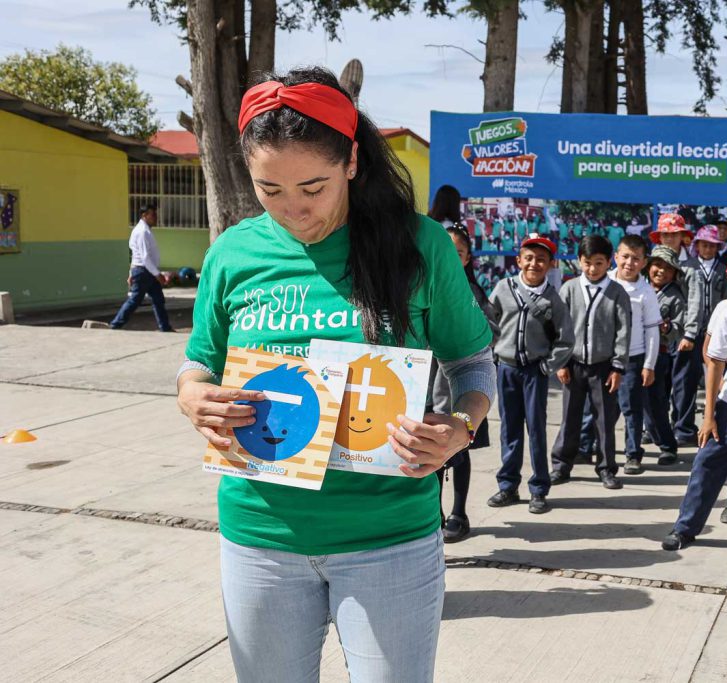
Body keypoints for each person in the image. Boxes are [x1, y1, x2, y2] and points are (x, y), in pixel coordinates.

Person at [176, 67, 495, 682]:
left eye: (313, 187)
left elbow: (472, 362)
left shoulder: (419, 244)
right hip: (260, 535)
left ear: (351, 161)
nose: (293, 209)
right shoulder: (233, 252)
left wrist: (460, 426)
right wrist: (192, 396)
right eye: (269, 189)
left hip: (389, 540)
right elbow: (199, 362)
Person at [661, 250, 727, 550]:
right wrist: (709, 415)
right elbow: (714, 363)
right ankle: (685, 527)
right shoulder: (726, 310)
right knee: (706, 464)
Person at [487, 234, 574, 514]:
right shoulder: (503, 288)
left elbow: (566, 339)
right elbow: (489, 322)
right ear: (519, 260)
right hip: (507, 369)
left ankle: (539, 488)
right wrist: (492, 354)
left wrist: (548, 366)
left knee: (536, 429)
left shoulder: (553, 299)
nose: (534, 263)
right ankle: (508, 485)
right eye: (529, 257)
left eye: (541, 259)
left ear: (550, 264)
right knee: (509, 429)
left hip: (534, 372)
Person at [432, 224, 500, 543]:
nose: (448, 258)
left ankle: (459, 512)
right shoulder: (422, 285)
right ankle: (436, 513)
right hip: (428, 388)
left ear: (467, 257)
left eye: (456, 253)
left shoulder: (472, 292)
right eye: (442, 250)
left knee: (460, 452)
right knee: (430, 457)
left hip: (458, 393)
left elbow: (489, 332)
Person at [550, 235, 631, 490]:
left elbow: (623, 332)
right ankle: (562, 464)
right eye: (587, 263)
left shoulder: (617, 292)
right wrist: (560, 362)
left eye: (599, 263)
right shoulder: (569, 289)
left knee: (605, 420)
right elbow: (558, 328)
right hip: (573, 365)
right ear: (579, 261)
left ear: (609, 262)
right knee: (570, 416)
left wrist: (618, 367)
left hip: (603, 366)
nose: (593, 269)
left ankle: (606, 468)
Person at [674, 226, 727, 446]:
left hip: (715, 333)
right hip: (690, 333)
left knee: (716, 378)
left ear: (718, 247)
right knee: (686, 381)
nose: (708, 248)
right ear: (696, 245)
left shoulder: (722, 270)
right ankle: (684, 427)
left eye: (712, 245)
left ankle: (716, 420)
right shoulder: (686, 268)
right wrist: (685, 330)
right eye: (704, 244)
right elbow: (683, 299)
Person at [611, 235, 661, 475]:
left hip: (633, 359)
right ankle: (592, 448)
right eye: (625, 257)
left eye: (636, 258)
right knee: (599, 410)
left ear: (644, 262)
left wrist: (649, 364)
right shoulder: (605, 282)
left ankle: (632, 454)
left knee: (631, 409)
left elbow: (652, 330)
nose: (629, 263)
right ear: (616, 257)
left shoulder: (646, 292)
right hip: (604, 358)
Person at [642, 245, 687, 465]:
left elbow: (680, 327)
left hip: (658, 354)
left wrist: (668, 328)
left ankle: (668, 445)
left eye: (667, 268)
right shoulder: (639, 288)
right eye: (657, 265)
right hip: (632, 354)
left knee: (655, 402)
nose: (661, 271)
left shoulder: (675, 296)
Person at [110, 204, 173, 332]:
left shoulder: (146, 230)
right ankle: (115, 324)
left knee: (158, 299)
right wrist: (158, 275)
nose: (155, 217)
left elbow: (137, 255)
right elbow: (144, 257)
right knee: (135, 299)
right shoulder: (142, 232)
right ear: (144, 216)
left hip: (146, 271)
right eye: (152, 214)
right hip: (144, 271)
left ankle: (165, 327)